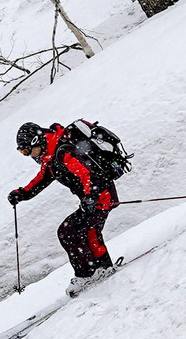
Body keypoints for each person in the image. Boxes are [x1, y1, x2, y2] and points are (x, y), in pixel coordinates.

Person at [8, 120, 117, 296]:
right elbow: (41, 179)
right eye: (22, 152)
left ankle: (86, 275)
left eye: (27, 150)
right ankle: (103, 268)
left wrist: (90, 197)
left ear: (37, 142)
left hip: (100, 196)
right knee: (89, 232)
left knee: (69, 231)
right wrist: (21, 194)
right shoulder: (51, 157)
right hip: (96, 198)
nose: (27, 155)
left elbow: (87, 174)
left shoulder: (63, 153)